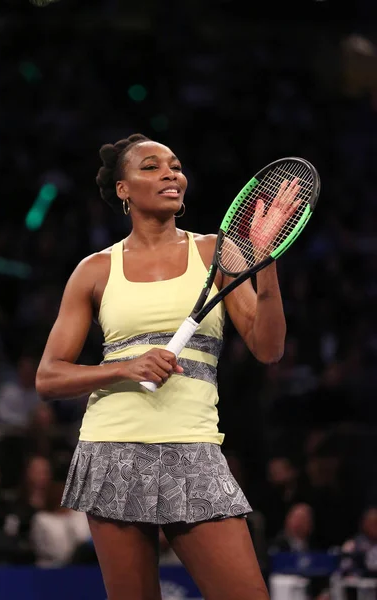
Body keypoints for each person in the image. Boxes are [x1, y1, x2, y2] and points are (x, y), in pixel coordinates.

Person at [36, 133, 296, 600]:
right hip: (112, 447)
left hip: (192, 446)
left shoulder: (218, 252)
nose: (170, 174)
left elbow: (267, 347)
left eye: (175, 165)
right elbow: (49, 376)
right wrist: (124, 367)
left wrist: (266, 262)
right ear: (123, 189)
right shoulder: (94, 269)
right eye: (152, 167)